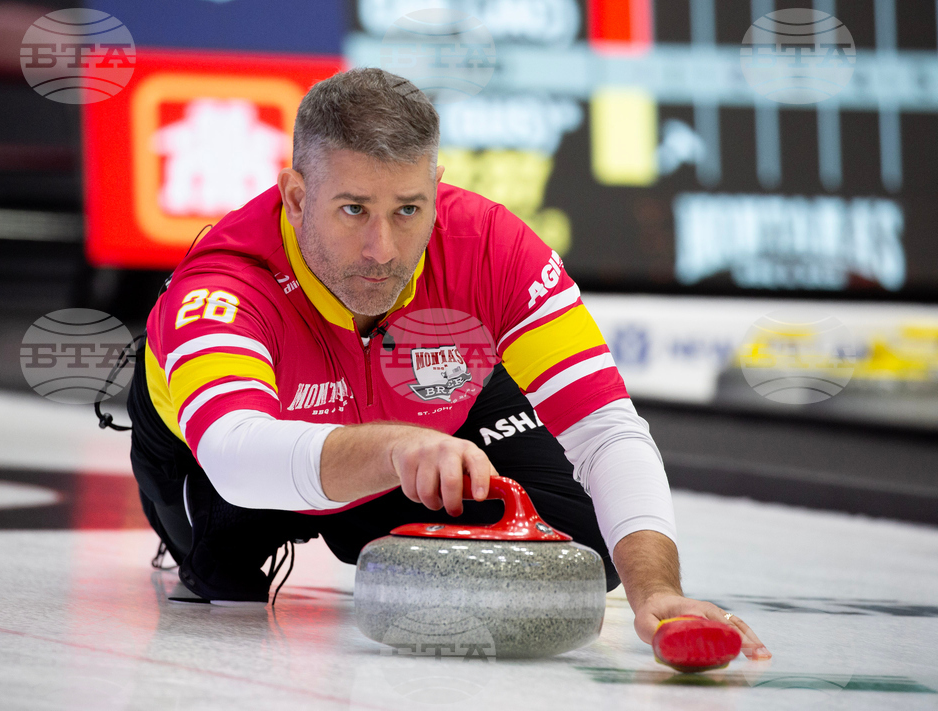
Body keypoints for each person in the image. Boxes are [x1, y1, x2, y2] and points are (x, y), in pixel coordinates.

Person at [126, 67, 770, 664]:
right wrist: (402, 446)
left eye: (408, 210)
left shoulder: (491, 245)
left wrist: (656, 592)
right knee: (224, 576)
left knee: (584, 549)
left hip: (421, 404)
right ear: (296, 196)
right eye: (353, 210)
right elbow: (236, 455)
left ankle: (376, 512)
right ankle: (326, 512)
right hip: (229, 455)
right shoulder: (226, 282)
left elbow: (606, 429)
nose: (382, 249)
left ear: (436, 191)